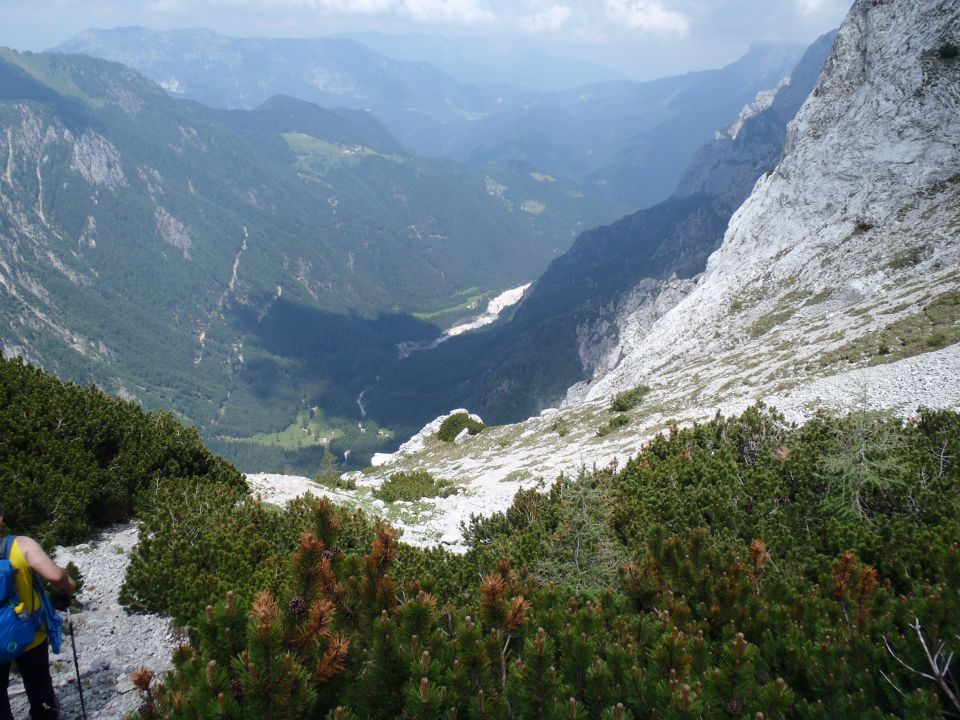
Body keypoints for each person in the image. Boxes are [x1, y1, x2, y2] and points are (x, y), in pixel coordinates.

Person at [0, 504, 76, 720]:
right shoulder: (20, 545)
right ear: (1, 519)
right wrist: (68, 584)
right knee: (39, 688)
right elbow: (54, 576)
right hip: (29, 633)